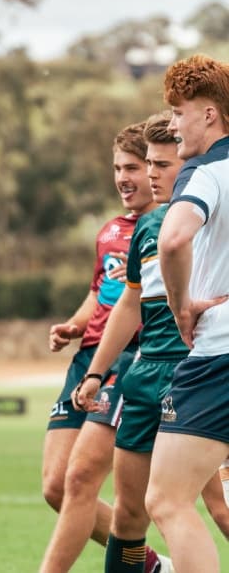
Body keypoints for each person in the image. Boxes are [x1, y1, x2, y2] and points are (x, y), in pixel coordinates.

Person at [73, 112, 229, 572]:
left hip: (198, 370)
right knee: (130, 513)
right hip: (145, 375)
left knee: (206, 507)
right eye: (150, 164)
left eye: (162, 164)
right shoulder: (146, 226)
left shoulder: (209, 208)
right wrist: (96, 373)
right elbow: (129, 305)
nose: (152, 174)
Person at [39, 123, 165, 573]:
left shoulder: (167, 229)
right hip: (87, 360)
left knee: (81, 480)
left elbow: (135, 305)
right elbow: (102, 293)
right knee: (56, 486)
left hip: (127, 361)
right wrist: (74, 326)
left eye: (132, 166)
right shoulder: (112, 230)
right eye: (117, 168)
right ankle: (150, 564)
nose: (123, 177)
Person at [145, 54, 229, 571]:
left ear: (210, 116)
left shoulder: (205, 171)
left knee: (168, 500)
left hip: (220, 353)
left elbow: (174, 239)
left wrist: (181, 307)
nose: (173, 126)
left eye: (179, 112)